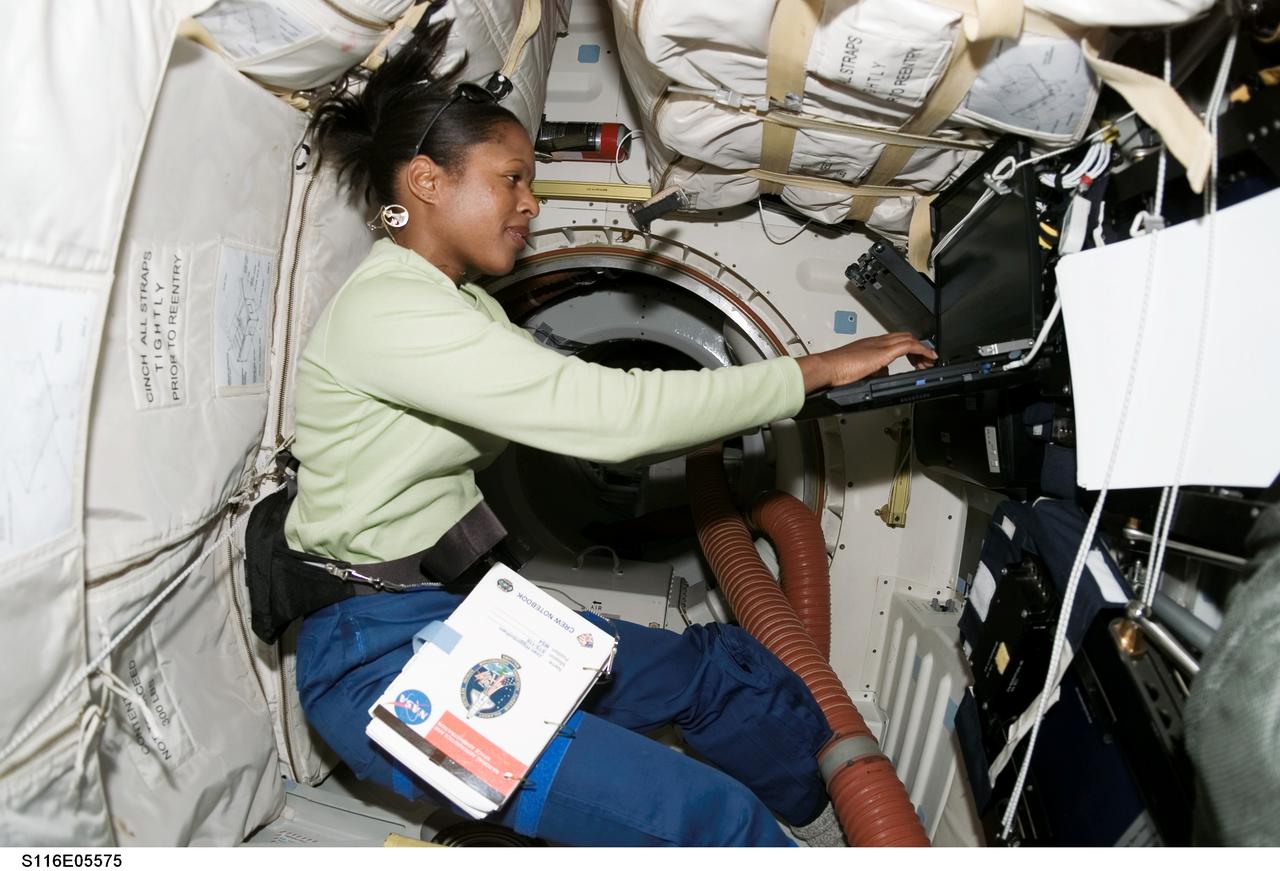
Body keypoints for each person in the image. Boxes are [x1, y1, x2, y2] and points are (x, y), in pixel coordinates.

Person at [284, 21, 935, 847]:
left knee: (713, 672)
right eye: (512, 179)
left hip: (450, 617)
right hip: (377, 665)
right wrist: (810, 371)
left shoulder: (466, 307)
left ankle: (836, 803)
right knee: (714, 822)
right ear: (424, 181)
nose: (532, 203)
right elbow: (608, 416)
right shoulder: (389, 310)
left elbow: (578, 389)